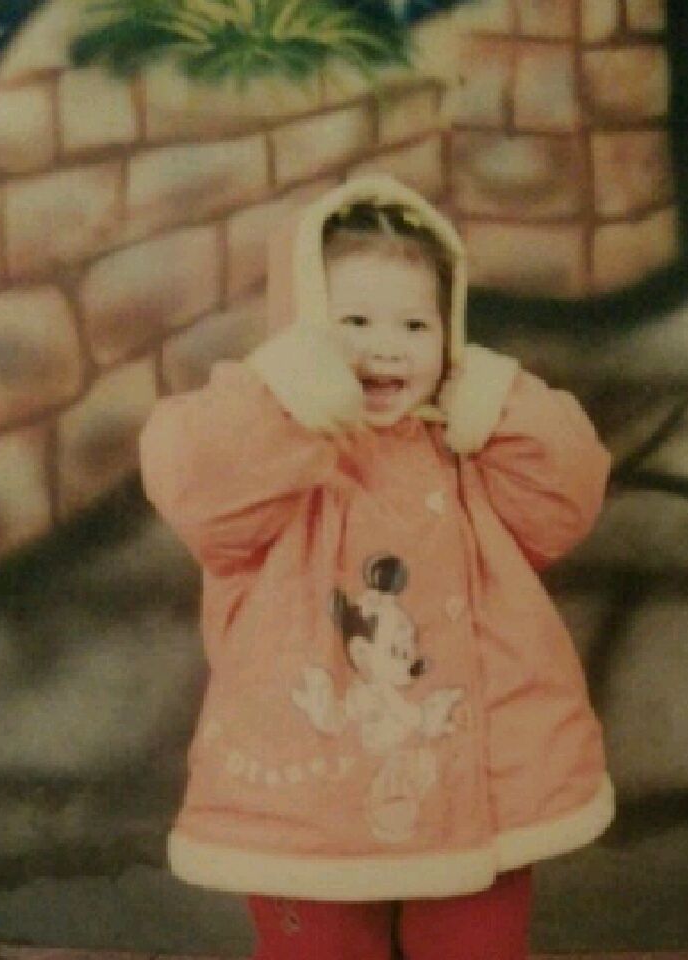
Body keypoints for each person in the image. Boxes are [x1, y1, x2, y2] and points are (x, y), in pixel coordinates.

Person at [139, 175, 614, 960]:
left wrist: (499, 403)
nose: (386, 346)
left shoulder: (465, 443)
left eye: (415, 324)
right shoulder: (267, 443)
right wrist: (283, 398)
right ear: (302, 330)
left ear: (450, 332)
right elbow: (197, 483)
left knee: (477, 945)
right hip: (309, 786)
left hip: (477, 774)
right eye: (353, 322)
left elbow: (567, 498)